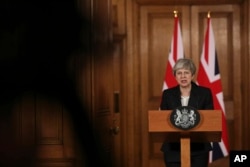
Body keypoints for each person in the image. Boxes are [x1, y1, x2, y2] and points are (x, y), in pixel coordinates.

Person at [160, 58, 214, 167]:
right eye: (179, 73)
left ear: (192, 75)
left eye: (186, 73)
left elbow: (209, 118)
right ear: (175, 76)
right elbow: (163, 120)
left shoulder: (204, 93)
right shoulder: (167, 94)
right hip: (173, 148)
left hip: (198, 148)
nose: (183, 76)